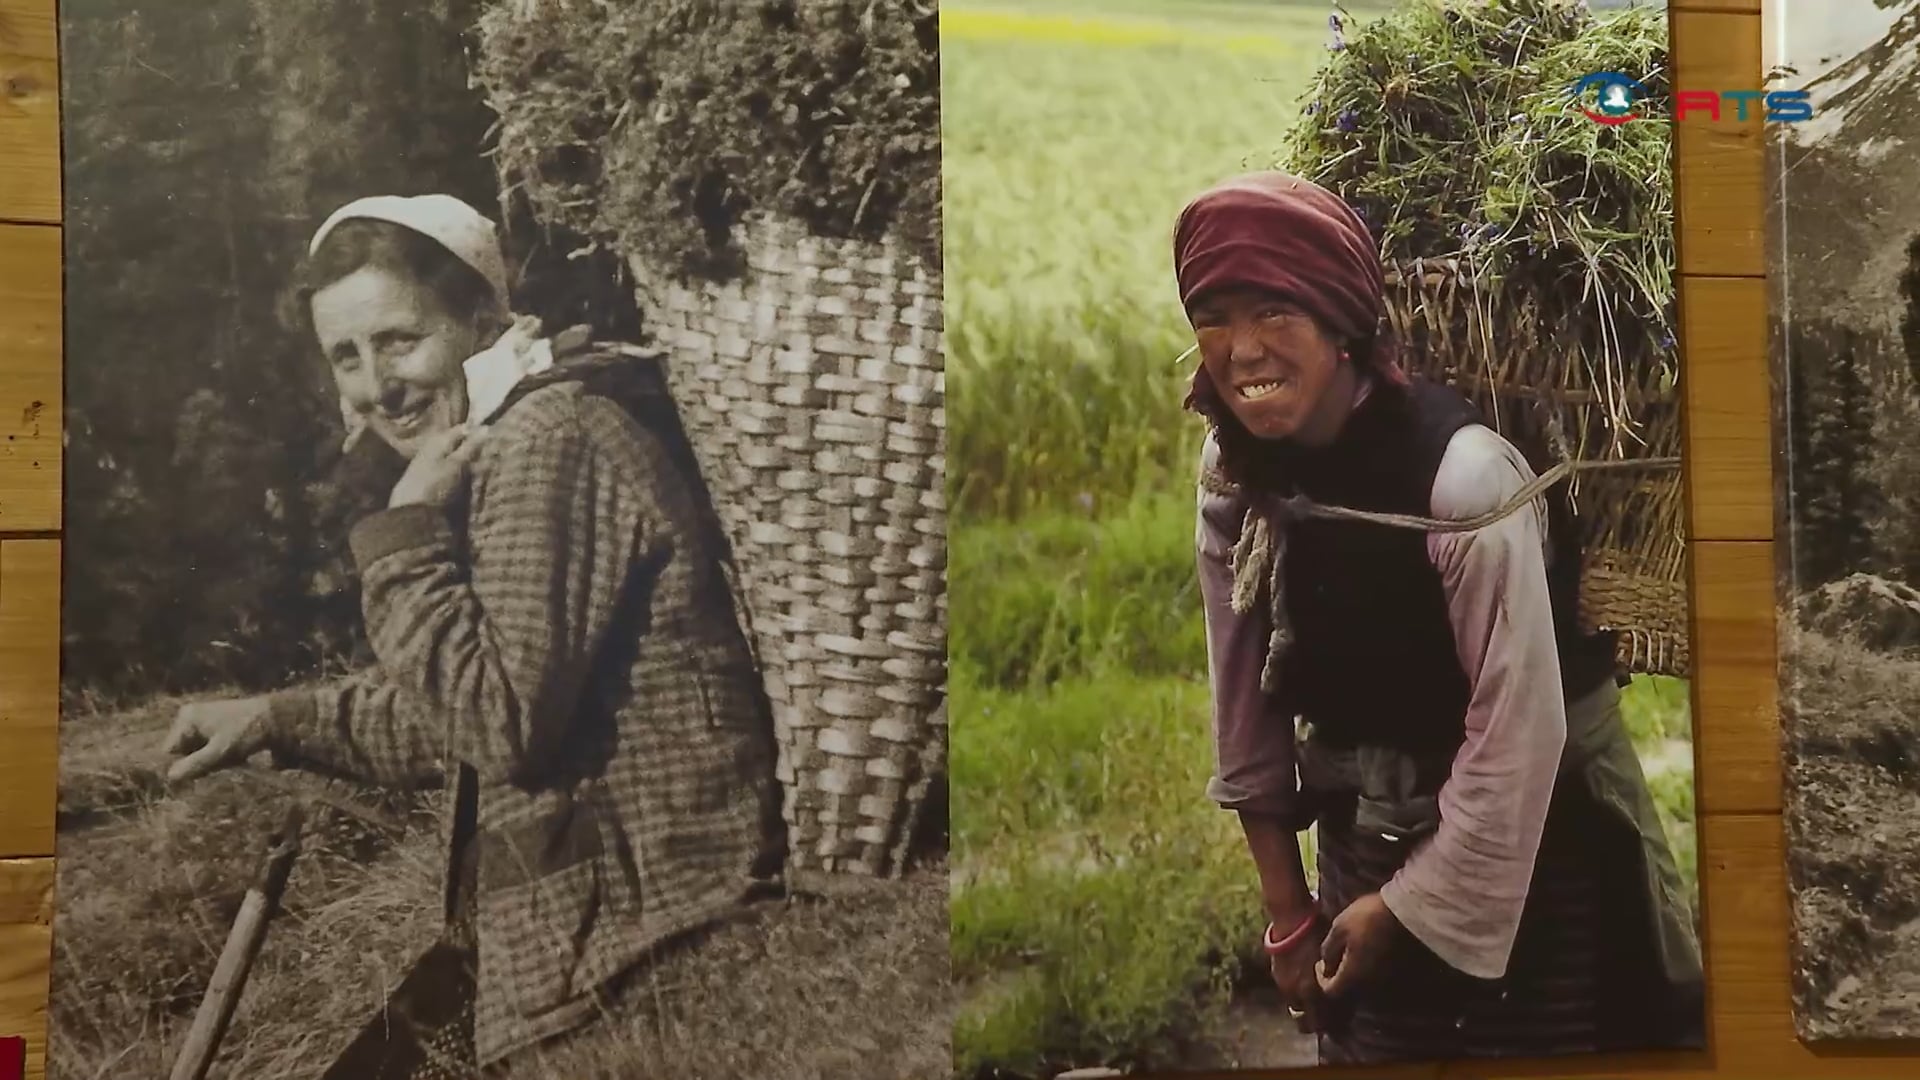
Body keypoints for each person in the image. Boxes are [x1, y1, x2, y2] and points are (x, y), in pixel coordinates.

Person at [161, 194, 786, 1075]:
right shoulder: (498, 439)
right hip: (575, 914)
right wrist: (274, 718)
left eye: (398, 340)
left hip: (646, 932)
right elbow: (459, 708)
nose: (378, 387)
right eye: (346, 357)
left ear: (481, 317)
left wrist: (402, 534)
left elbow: (498, 722)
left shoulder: (549, 439)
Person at [1177, 171, 1704, 1064]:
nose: (1243, 349)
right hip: (1364, 842)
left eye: (1275, 312)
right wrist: (1287, 913)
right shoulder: (1236, 473)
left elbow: (1517, 733)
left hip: (1544, 848)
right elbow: (1245, 708)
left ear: (1344, 326)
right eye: (1215, 315)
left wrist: (1411, 908)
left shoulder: (1465, 481)